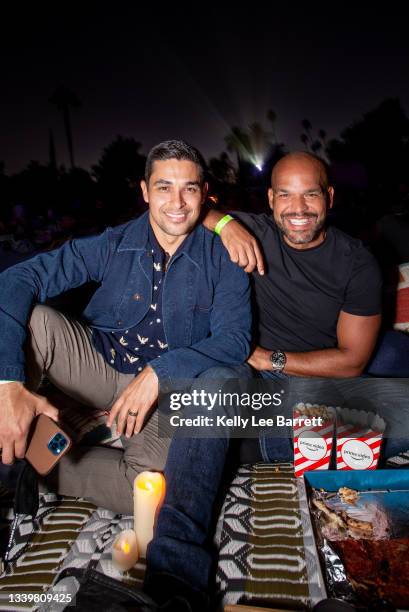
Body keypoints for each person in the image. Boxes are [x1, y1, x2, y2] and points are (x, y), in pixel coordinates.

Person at [0, 140, 251, 517]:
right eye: (164, 187)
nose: (177, 202)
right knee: (37, 323)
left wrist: (159, 373)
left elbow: (235, 340)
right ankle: (11, 424)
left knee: (151, 490)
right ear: (145, 191)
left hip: (164, 394)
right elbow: (18, 278)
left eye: (190, 189)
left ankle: (38, 469)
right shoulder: (114, 243)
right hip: (101, 365)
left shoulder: (224, 256)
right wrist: (7, 383)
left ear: (205, 195)